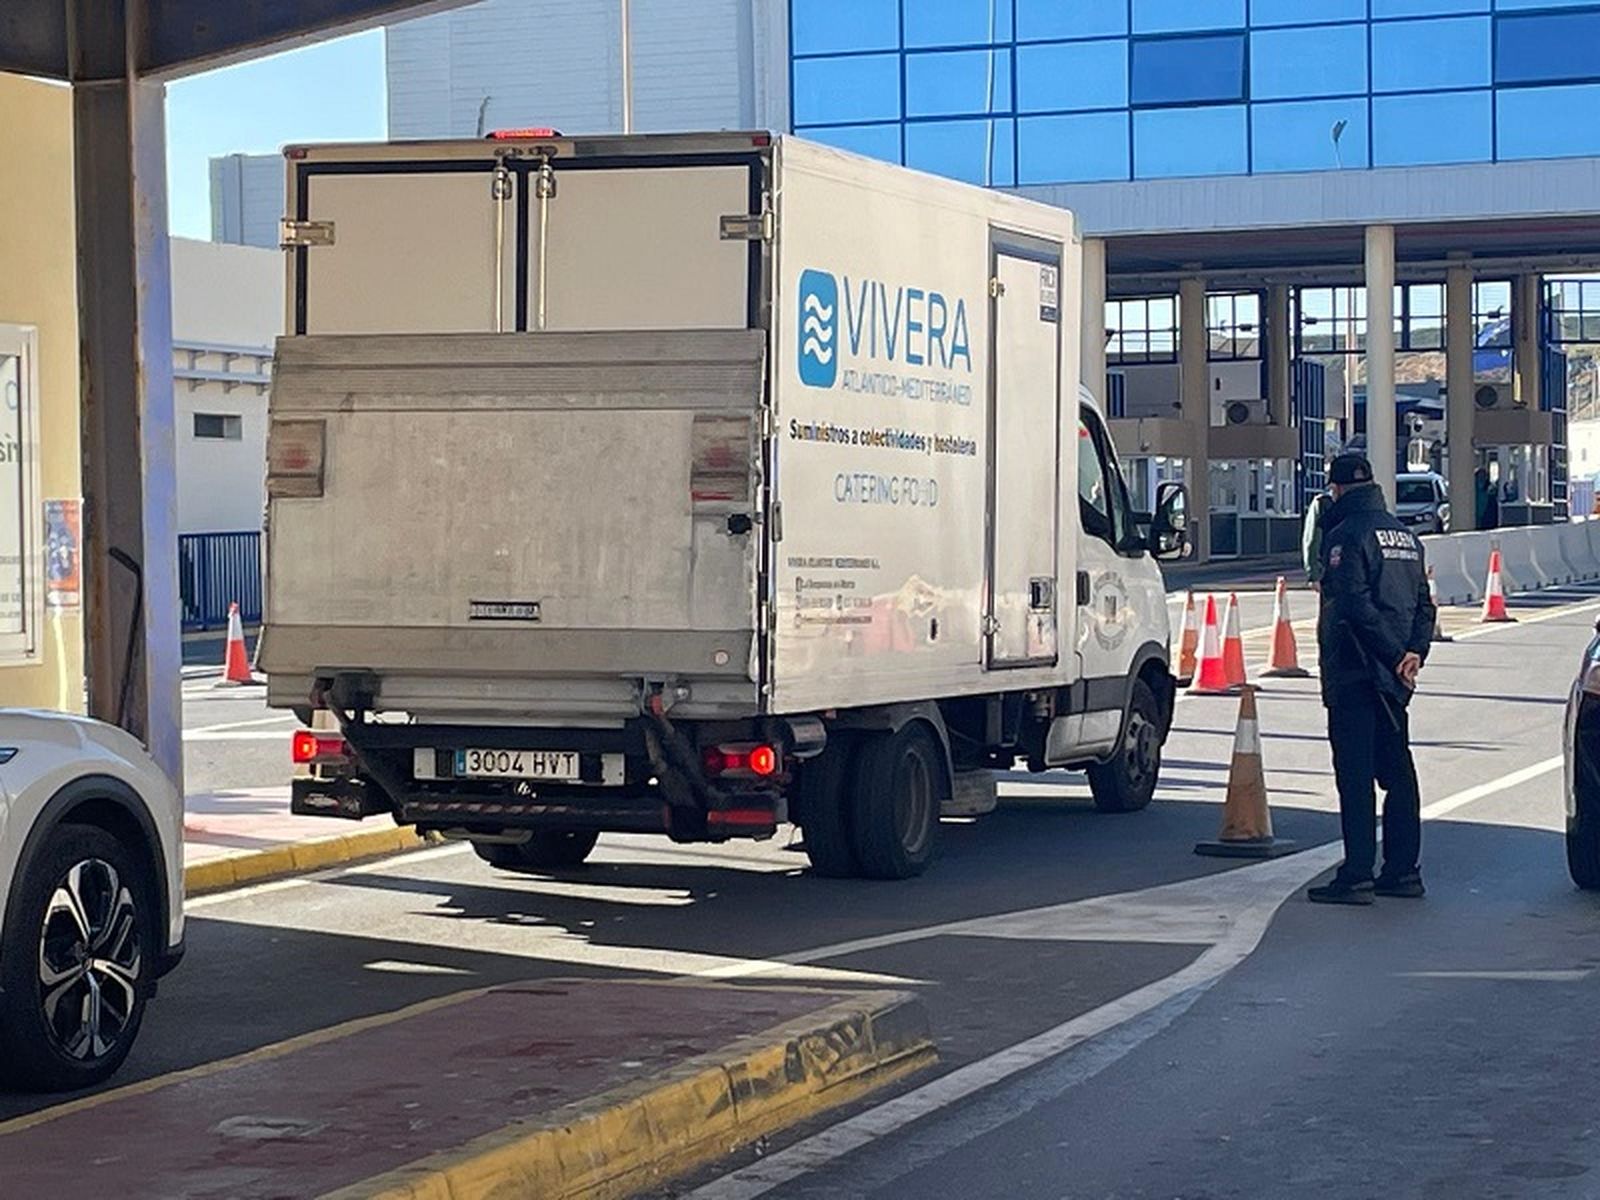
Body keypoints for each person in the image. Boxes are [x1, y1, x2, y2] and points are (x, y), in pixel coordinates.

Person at [1308, 453, 1436, 905]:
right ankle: (1403, 871)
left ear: (1338, 490)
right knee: (1398, 772)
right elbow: (1425, 604)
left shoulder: (1346, 535)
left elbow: (1352, 604)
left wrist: (1390, 655)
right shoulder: (1404, 535)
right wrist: (1412, 655)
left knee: (1356, 775)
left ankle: (1357, 873)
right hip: (1396, 680)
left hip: (1357, 671)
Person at [1302, 486, 1334, 590]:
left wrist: (1314, 574)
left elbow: (1313, 539)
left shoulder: (1323, 503)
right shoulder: (1366, 501)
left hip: (1331, 569)